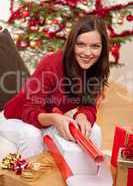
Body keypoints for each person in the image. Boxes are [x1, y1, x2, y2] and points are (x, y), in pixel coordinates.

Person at [0, 15, 110, 158]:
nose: (88, 53)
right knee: (31, 134)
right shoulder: (52, 64)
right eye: (81, 44)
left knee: (93, 129)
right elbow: (30, 110)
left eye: (95, 46)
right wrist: (54, 119)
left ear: (103, 48)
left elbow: (88, 105)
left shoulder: (95, 68)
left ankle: (89, 175)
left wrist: (83, 116)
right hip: (15, 119)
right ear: (72, 44)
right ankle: (30, 178)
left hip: (49, 120)